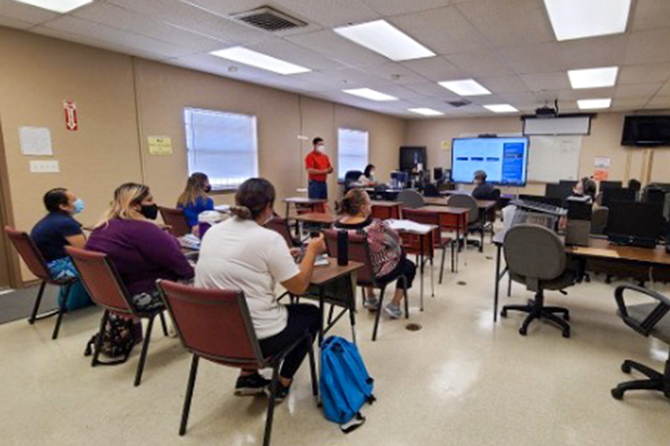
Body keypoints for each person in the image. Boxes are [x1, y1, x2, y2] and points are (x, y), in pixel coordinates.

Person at [195, 178, 325, 401]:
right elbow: (299, 288)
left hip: (210, 335)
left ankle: (249, 376)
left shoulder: (212, 232)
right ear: (268, 207)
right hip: (254, 340)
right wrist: (312, 250)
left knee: (243, 304)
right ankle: (281, 385)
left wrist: (281, 257)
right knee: (312, 314)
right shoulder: (269, 239)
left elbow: (241, 264)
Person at [86, 183, 194, 316]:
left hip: (111, 295)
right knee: (205, 279)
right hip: (140, 295)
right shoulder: (142, 229)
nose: (153, 204)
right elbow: (178, 262)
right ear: (135, 205)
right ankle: (194, 331)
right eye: (149, 200)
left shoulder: (103, 226)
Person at [334, 189, 416, 319]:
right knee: (408, 265)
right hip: (377, 275)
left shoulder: (336, 227)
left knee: (365, 258)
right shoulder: (375, 226)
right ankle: (394, 305)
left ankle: (371, 298)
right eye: (369, 203)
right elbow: (395, 240)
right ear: (363, 208)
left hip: (349, 274)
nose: (371, 205)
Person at [31, 188, 92, 310]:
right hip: (58, 268)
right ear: (63, 206)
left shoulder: (50, 220)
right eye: (74, 200)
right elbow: (85, 251)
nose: (78, 202)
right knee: (103, 264)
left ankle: (70, 302)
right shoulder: (66, 223)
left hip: (46, 266)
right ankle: (78, 304)